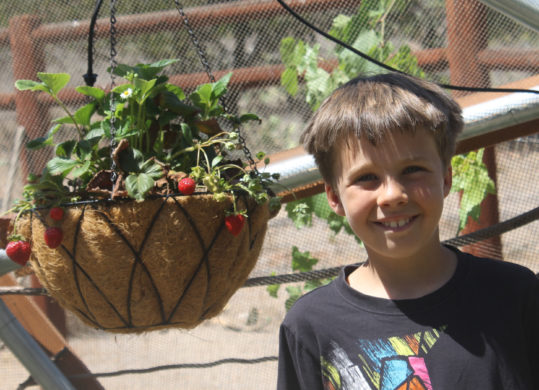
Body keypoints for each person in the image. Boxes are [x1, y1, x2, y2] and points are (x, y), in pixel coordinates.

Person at [277, 73, 539, 390]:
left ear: (445, 178)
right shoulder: (310, 326)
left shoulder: (513, 296)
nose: (392, 194)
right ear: (334, 196)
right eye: (367, 177)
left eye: (412, 170)